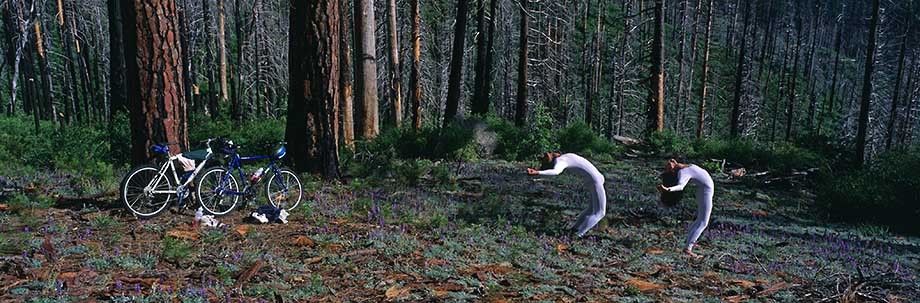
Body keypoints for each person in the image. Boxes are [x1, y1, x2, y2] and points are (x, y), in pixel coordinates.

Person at [527, 152, 607, 237]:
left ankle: (574, 230)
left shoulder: (564, 158)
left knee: (591, 210)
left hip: (595, 182)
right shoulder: (562, 160)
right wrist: (538, 172)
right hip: (595, 182)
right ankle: (578, 235)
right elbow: (556, 172)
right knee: (600, 213)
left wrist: (538, 172)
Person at [656, 159, 714, 259]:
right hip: (705, 191)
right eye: (668, 167)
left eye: (669, 163)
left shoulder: (685, 167)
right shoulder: (683, 173)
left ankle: (688, 245)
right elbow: (681, 186)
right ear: (673, 171)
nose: (669, 162)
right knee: (703, 222)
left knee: (700, 220)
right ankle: (688, 249)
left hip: (704, 189)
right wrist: (668, 189)